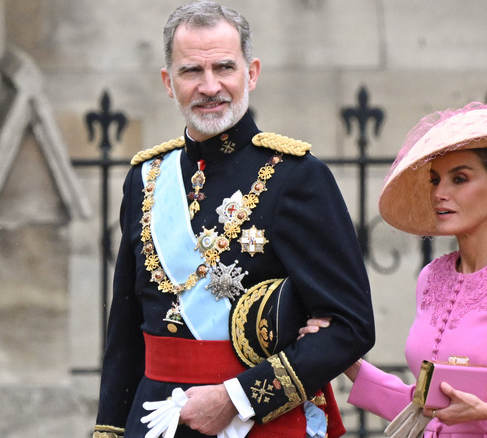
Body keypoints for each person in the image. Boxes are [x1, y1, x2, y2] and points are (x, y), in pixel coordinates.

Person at [93, 2, 375, 438]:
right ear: (169, 82)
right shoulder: (146, 179)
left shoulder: (296, 176)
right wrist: (109, 429)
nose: (210, 86)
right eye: (191, 71)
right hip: (153, 421)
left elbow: (351, 327)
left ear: (252, 73)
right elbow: (126, 330)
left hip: (259, 421)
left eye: (224, 67)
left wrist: (236, 398)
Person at [302, 102, 487, 437]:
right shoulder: (431, 277)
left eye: (460, 179)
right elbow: (425, 408)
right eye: (436, 180)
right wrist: (347, 363)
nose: (440, 193)